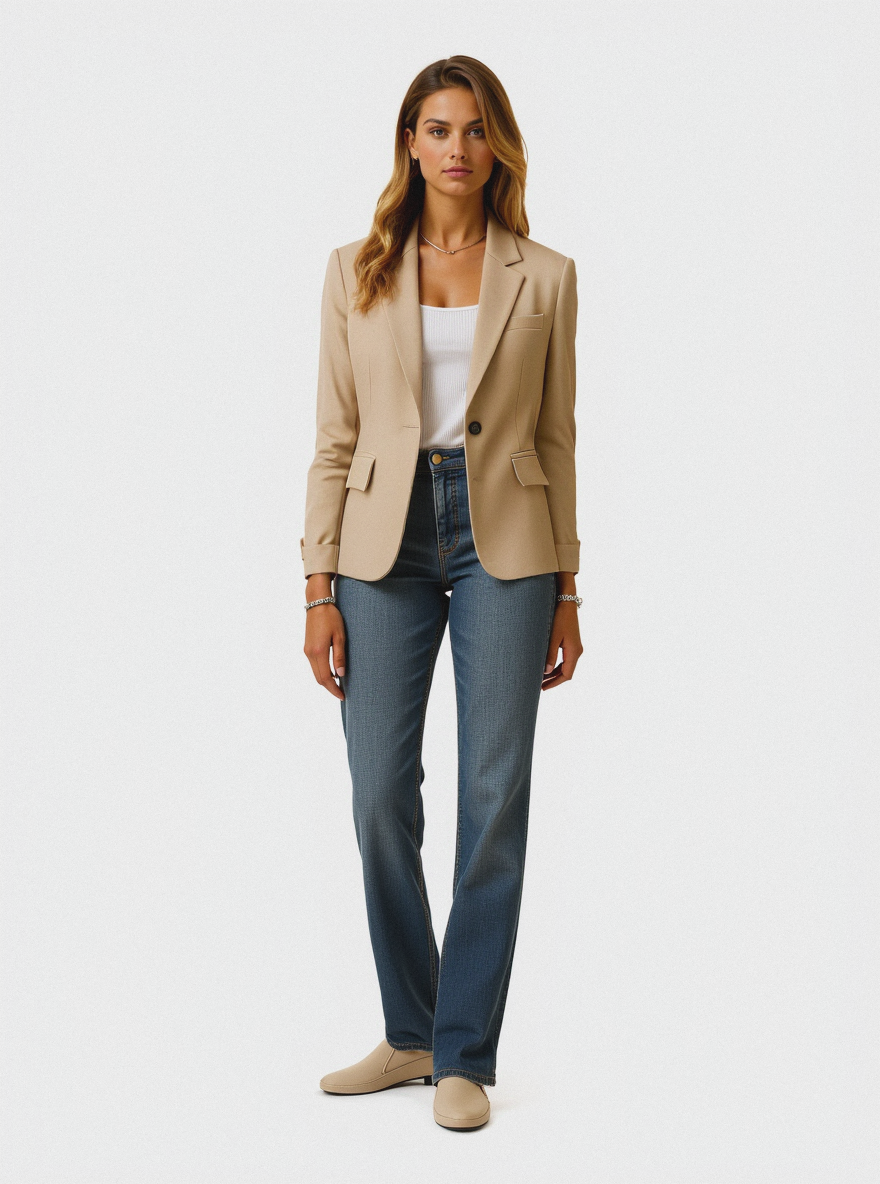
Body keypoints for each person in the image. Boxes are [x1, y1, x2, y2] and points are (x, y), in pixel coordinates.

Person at [301, 55, 583, 1130]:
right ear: (409, 144)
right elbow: (333, 438)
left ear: (495, 144)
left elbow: (556, 436)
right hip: (382, 541)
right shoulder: (356, 269)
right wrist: (317, 583)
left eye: (472, 129)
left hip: (506, 538)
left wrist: (569, 587)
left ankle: (462, 1050)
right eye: (436, 128)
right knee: (379, 792)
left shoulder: (545, 275)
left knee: (493, 796)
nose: (455, 148)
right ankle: (410, 1029)